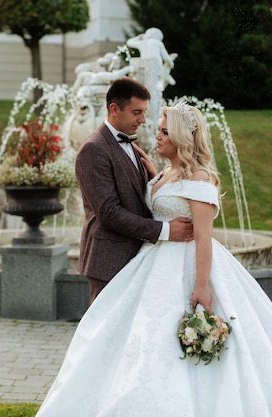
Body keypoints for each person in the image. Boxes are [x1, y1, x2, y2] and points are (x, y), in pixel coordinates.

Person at [35, 102, 272, 417]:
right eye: (158, 127)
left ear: (181, 136)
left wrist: (201, 287)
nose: (157, 134)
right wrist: (155, 188)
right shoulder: (162, 171)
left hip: (187, 267)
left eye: (165, 130)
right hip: (150, 264)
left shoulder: (199, 178)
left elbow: (204, 238)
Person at [75, 77, 193, 302]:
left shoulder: (130, 145)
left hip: (138, 258)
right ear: (114, 109)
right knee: (106, 333)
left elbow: (135, 198)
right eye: (136, 112)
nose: (143, 119)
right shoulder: (93, 150)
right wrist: (165, 230)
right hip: (109, 261)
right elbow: (109, 213)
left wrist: (154, 178)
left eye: (144, 112)